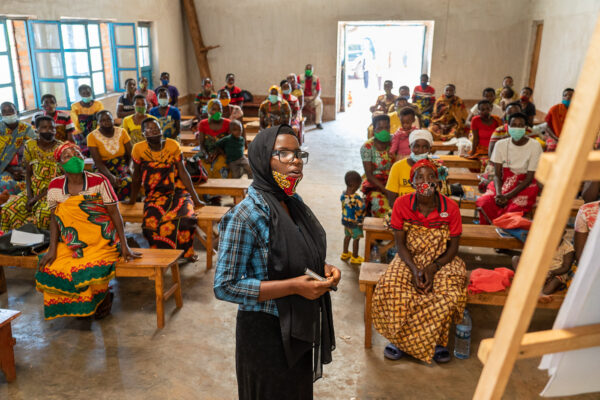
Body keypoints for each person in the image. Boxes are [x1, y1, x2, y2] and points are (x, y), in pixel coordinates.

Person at [214, 125, 338, 399]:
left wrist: (323, 267)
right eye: (282, 153)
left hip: (298, 324)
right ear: (261, 159)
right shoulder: (246, 215)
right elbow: (225, 285)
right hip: (265, 332)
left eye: (297, 153)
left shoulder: (292, 201)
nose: (294, 160)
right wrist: (294, 286)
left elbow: (295, 251)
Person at [372, 158, 466, 363]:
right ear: (412, 183)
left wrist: (433, 268)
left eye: (431, 177)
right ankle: (399, 340)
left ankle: (438, 342)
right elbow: (400, 244)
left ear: (438, 183)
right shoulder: (401, 204)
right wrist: (415, 270)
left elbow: (453, 248)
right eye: (420, 177)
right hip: (409, 257)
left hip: (442, 259)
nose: (426, 181)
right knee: (392, 287)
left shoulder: (450, 208)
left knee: (447, 295)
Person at [36, 142, 140, 320]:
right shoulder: (55, 186)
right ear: (60, 164)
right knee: (52, 265)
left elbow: (115, 214)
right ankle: (82, 306)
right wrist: (53, 248)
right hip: (73, 242)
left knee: (88, 269)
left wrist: (124, 245)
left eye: (77, 154)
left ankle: (103, 299)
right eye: (67, 156)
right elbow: (55, 218)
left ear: (83, 158)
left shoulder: (99, 181)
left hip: (103, 240)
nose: (74, 158)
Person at [128, 118, 204, 260]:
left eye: (156, 127)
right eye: (150, 129)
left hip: (177, 191)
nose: (154, 131)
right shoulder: (138, 149)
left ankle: (186, 253)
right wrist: (132, 200)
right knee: (150, 224)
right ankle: (162, 256)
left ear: (161, 130)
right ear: (144, 134)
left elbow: (183, 172)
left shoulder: (172, 144)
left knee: (186, 219)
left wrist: (196, 198)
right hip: (154, 194)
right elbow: (137, 177)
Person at [476, 113, 543, 224]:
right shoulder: (500, 144)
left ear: (526, 128)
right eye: (514, 125)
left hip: (525, 184)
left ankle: (505, 235)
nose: (517, 128)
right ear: (508, 127)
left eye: (520, 125)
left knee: (512, 211)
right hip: (503, 183)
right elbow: (497, 175)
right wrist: (498, 194)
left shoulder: (535, 146)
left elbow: (529, 178)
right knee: (484, 201)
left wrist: (507, 196)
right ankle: (490, 233)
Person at [0, 116, 62, 232]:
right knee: (8, 209)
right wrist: (29, 197)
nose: (48, 130)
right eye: (44, 127)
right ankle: (12, 242)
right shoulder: (30, 145)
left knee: (42, 214)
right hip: (33, 188)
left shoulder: (61, 148)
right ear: (36, 130)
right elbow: (28, 173)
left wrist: (35, 199)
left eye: (52, 127)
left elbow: (62, 180)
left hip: (54, 190)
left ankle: (41, 244)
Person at [87, 110, 133, 201]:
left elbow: (131, 154)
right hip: (103, 167)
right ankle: (105, 209)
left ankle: (121, 206)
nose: (106, 122)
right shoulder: (91, 136)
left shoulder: (122, 132)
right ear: (98, 123)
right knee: (101, 184)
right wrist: (110, 176)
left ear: (113, 120)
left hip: (121, 165)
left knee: (127, 181)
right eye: (103, 120)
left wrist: (130, 168)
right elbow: (98, 162)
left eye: (109, 119)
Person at [386, 129, 433, 206]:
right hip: (402, 211)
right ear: (410, 147)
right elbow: (392, 202)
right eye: (416, 146)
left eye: (425, 147)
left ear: (430, 149)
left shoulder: (434, 168)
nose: (420, 150)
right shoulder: (397, 167)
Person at [361, 114, 393, 218]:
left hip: (393, 181)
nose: (384, 131)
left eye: (386, 128)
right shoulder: (367, 147)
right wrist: (386, 191)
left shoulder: (395, 142)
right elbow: (369, 175)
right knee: (381, 207)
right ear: (374, 129)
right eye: (380, 128)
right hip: (375, 184)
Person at [0, 102, 35, 195]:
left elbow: (35, 149)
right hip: (4, 168)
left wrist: (25, 170)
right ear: (1, 114)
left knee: (35, 181)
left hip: (25, 167)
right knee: (5, 184)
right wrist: (11, 170)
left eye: (11, 110)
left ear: (17, 111)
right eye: (4, 111)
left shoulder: (27, 129)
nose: (8, 114)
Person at [197, 99, 231, 178]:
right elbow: (201, 144)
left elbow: (229, 143)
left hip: (222, 152)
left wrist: (218, 152)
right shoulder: (203, 124)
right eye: (214, 109)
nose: (217, 112)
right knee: (201, 168)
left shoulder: (228, 123)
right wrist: (206, 155)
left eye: (220, 109)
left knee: (221, 167)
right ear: (209, 111)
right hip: (207, 152)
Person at [70, 84, 104, 156]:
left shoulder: (98, 104)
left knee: (99, 150)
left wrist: (95, 134)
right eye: (83, 94)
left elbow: (101, 120)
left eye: (88, 93)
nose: (86, 95)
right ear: (80, 94)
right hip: (81, 134)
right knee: (83, 151)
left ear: (91, 92)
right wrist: (83, 136)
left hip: (96, 131)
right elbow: (76, 123)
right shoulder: (75, 106)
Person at [340, 170, 366, 265]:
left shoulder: (344, 195)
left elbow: (348, 206)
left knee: (347, 236)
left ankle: (345, 253)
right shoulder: (356, 198)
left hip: (346, 221)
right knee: (356, 238)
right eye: (358, 185)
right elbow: (360, 208)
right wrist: (364, 202)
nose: (359, 187)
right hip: (355, 222)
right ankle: (355, 257)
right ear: (353, 185)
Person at [468, 100, 502, 165]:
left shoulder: (496, 120)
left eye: (487, 109)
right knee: (485, 162)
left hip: (494, 149)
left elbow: (501, 137)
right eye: (482, 109)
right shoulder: (475, 120)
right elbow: (475, 138)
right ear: (478, 111)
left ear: (491, 109)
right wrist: (473, 152)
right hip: (481, 149)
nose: (485, 111)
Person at [300, 64, 323, 129]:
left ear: (312, 71)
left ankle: (318, 122)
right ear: (305, 70)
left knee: (319, 102)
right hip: (302, 97)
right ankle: (298, 122)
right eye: (307, 69)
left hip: (312, 97)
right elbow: (297, 89)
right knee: (297, 104)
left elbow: (318, 91)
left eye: (310, 70)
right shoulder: (300, 77)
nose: (308, 71)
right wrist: (303, 98)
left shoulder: (316, 78)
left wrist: (313, 98)